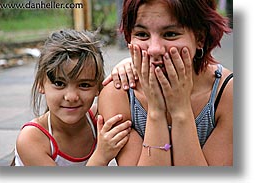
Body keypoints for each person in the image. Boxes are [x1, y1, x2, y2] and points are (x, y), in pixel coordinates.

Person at [99, 0, 233, 166]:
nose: (154, 49)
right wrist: (156, 110)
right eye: (142, 34)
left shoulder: (227, 93)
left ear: (200, 37)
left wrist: (180, 109)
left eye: (170, 34)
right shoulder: (118, 93)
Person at [12, 29, 131, 166]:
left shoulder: (99, 119)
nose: (71, 97)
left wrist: (128, 65)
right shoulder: (32, 139)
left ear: (99, 87)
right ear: (41, 84)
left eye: (84, 85)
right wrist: (101, 156)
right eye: (59, 83)